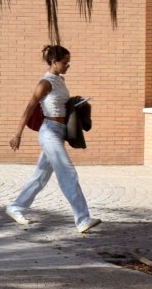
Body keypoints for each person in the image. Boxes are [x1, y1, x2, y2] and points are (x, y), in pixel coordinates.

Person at [6, 44, 102, 233]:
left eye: (69, 63)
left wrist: (77, 103)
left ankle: (16, 207)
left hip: (59, 131)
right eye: (65, 63)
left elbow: (62, 104)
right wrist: (17, 134)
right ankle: (83, 219)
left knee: (40, 176)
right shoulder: (45, 83)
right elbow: (29, 108)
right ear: (53, 62)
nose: (68, 66)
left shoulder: (60, 80)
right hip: (49, 132)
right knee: (68, 172)